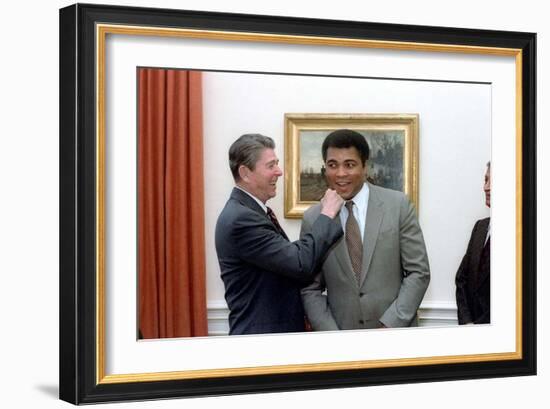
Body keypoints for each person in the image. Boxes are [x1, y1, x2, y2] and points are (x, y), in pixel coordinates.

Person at [215, 133, 344, 335]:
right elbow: (300, 263)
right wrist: (327, 213)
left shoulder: (251, 212)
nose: (279, 172)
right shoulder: (242, 219)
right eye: (271, 166)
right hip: (262, 342)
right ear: (245, 172)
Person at [301, 129, 430, 330]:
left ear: (365, 166)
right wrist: (330, 333)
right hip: (340, 341)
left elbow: (418, 272)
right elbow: (310, 288)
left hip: (396, 336)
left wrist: (391, 323)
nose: (341, 173)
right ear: (325, 168)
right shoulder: (314, 218)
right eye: (333, 165)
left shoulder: (398, 205)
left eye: (349, 165)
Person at [455, 162, 491, 324]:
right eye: (485, 180)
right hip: (470, 329)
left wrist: (480, 327)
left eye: (493, 181)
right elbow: (462, 278)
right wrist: (467, 323)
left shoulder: (522, 234)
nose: (486, 187)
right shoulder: (480, 227)